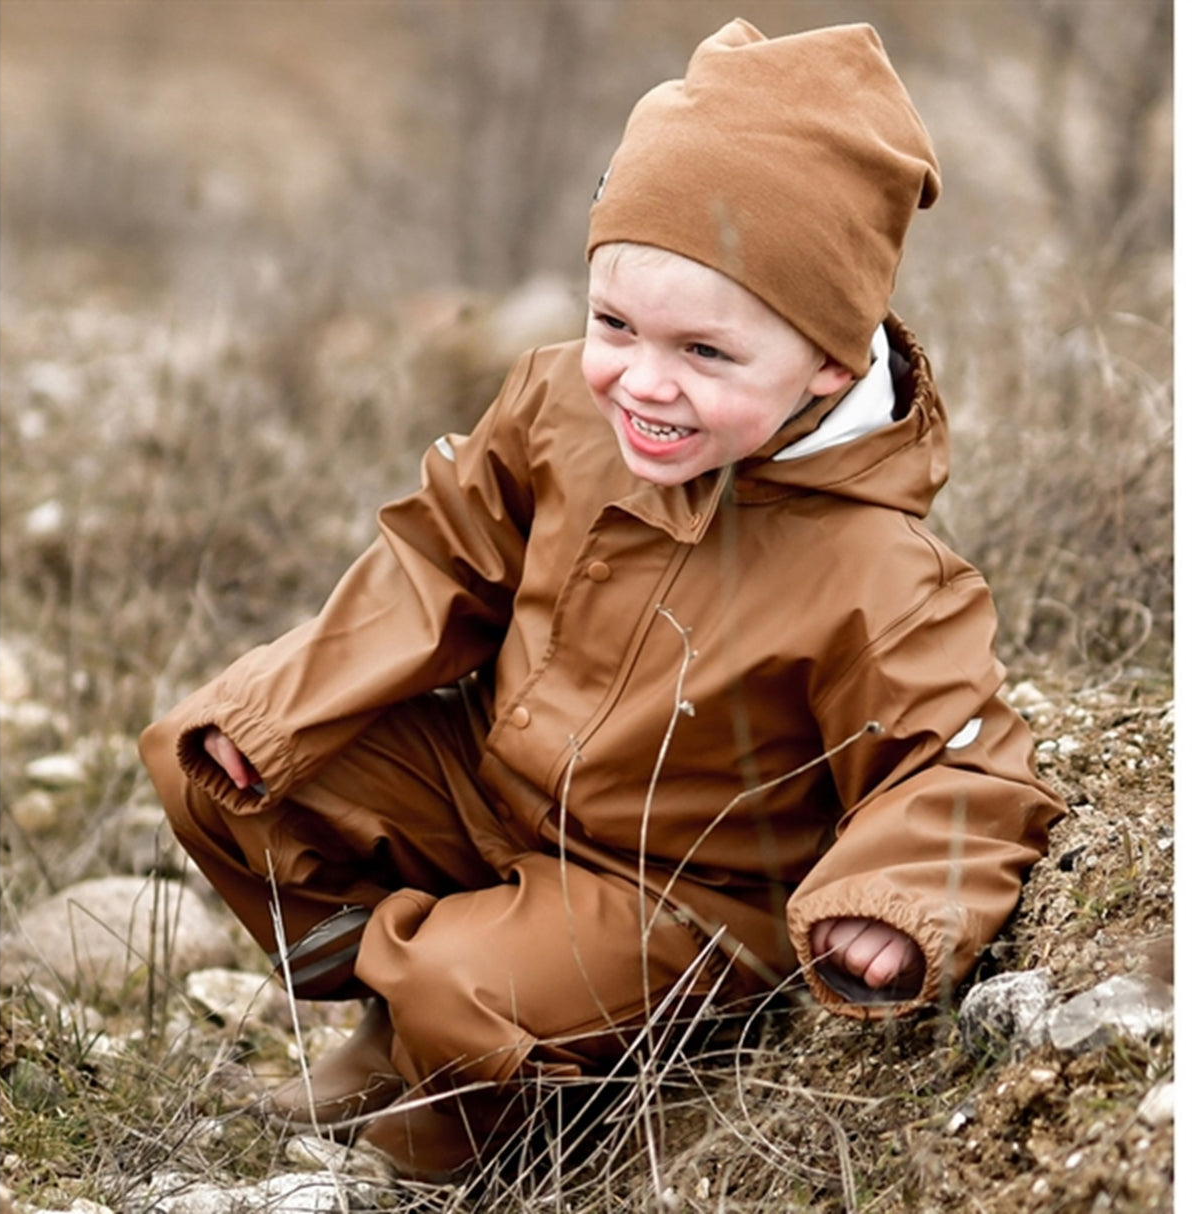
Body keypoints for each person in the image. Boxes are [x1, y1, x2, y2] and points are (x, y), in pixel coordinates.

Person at [140, 19, 1064, 1181]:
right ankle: (395, 1022)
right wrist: (287, 708)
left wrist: (891, 897)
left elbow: (966, 764)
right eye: (612, 324)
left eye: (704, 353)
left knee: (460, 980)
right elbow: (444, 552)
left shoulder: (878, 569)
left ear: (828, 362)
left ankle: (466, 1124)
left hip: (667, 896)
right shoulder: (562, 409)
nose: (642, 379)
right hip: (490, 789)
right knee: (214, 761)